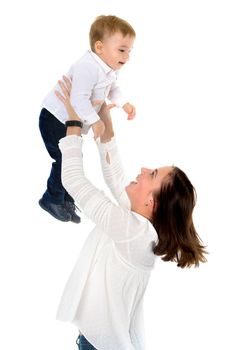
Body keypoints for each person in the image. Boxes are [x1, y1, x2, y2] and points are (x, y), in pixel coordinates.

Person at [54, 77, 207, 350]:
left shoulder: (134, 231)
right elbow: (115, 176)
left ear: (152, 202)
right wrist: (105, 120)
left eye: (153, 174)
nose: (145, 168)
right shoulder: (139, 226)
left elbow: (73, 180)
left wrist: (74, 122)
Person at [38, 15, 136, 223]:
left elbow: (112, 89)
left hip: (70, 122)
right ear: (99, 48)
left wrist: (124, 103)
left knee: (73, 160)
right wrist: (95, 121)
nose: (127, 56)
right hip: (55, 118)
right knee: (64, 159)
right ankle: (52, 199)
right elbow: (78, 99)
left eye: (129, 51)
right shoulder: (88, 67)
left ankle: (65, 199)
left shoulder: (108, 70)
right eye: (121, 50)